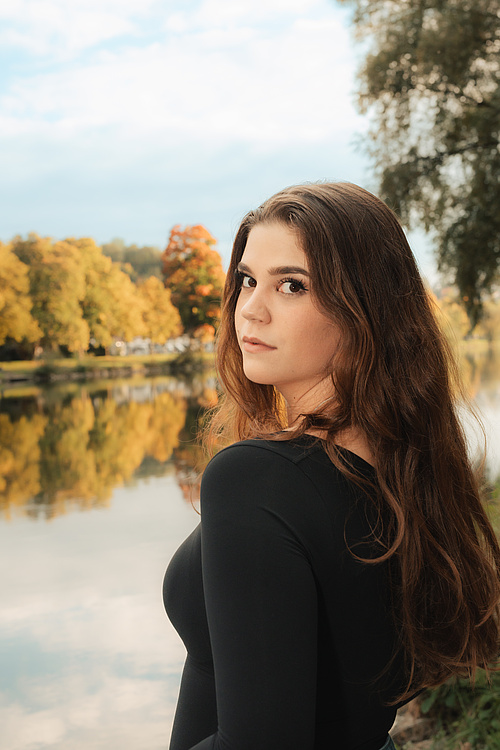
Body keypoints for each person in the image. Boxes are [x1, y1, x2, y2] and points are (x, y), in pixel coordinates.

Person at [163, 182, 500, 750]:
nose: (250, 309)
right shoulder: (406, 471)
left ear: (364, 310)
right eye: (247, 279)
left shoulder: (259, 480)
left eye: (291, 285)